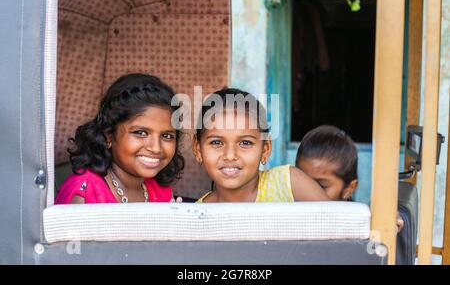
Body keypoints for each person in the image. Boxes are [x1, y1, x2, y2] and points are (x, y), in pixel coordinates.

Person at [55, 73, 184, 204]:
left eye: (167, 136)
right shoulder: (85, 193)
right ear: (109, 136)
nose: (156, 148)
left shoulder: (161, 191)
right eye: (141, 132)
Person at [192, 88, 330, 203]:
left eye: (245, 143)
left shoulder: (287, 184)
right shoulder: (196, 214)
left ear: (265, 149)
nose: (230, 155)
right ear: (198, 149)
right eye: (216, 142)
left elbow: (339, 224)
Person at [295, 125, 403, 231]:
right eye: (301, 183)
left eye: (321, 186)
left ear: (349, 189)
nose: (307, 190)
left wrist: (379, 218)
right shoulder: (288, 215)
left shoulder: (362, 230)